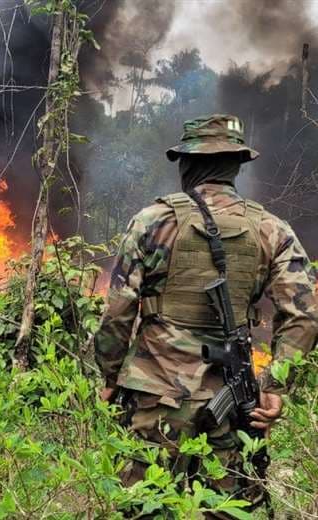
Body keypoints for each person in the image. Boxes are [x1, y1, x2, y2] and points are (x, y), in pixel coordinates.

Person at [94, 114, 318, 517]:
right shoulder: (272, 229)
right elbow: (304, 314)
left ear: (187, 163)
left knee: (147, 507)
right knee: (227, 508)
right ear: (235, 167)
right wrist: (276, 384)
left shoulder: (152, 222)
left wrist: (111, 377)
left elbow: (118, 311)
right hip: (231, 401)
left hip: (156, 394)